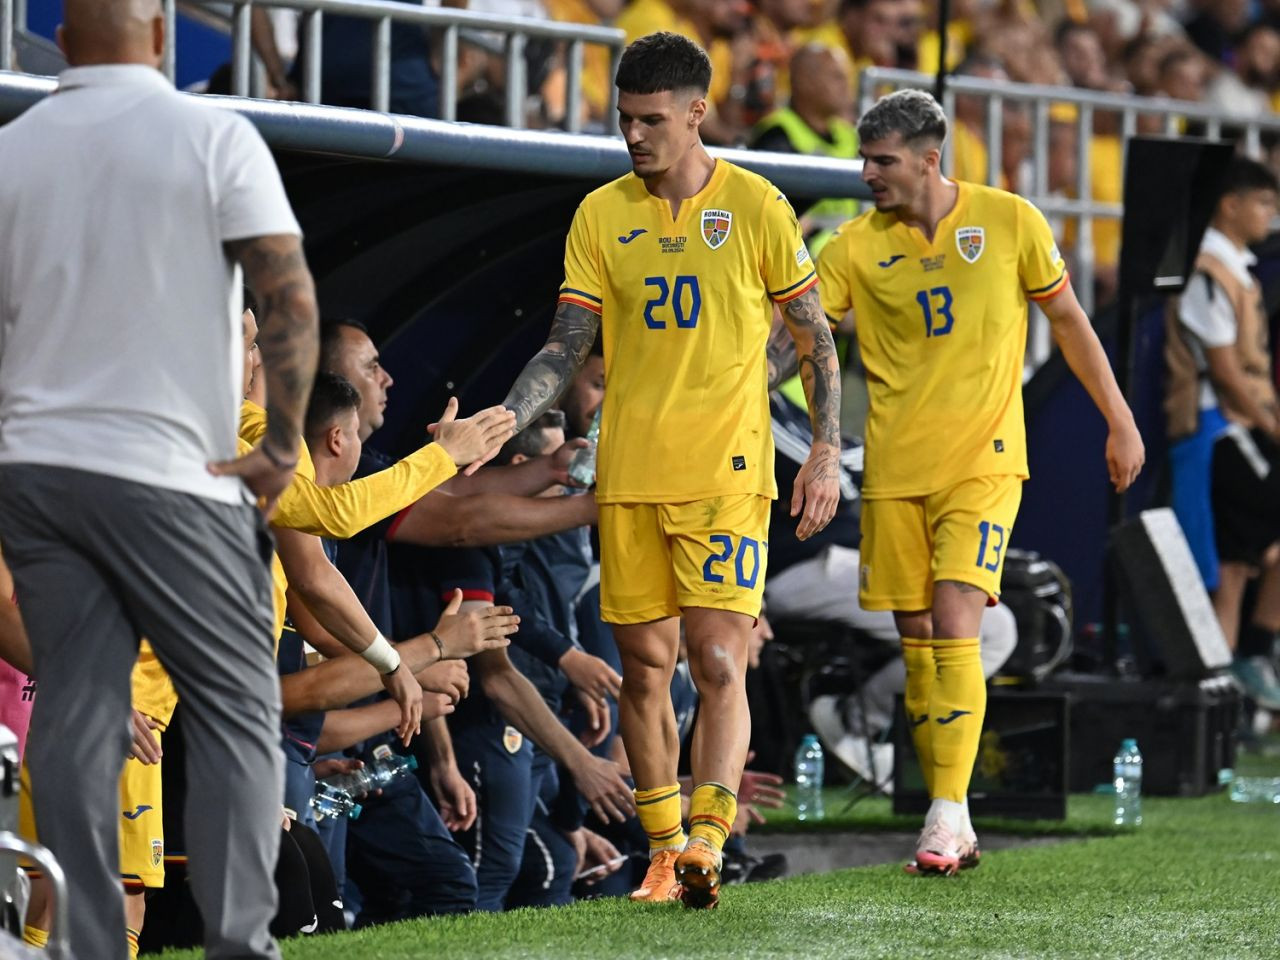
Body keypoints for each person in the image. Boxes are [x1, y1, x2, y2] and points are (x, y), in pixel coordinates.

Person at [0, 2, 317, 957]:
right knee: (234, 708)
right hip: (171, 471)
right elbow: (287, 291)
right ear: (161, 38)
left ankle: (86, 945)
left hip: (41, 476)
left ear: (62, 42)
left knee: (76, 702)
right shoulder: (213, 135)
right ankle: (239, 946)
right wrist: (285, 437)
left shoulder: (10, 151)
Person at [497, 31, 841, 909]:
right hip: (630, 473)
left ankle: (708, 841)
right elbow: (566, 343)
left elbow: (814, 336)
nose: (635, 136)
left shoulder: (759, 205)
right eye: (625, 119)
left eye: (652, 120)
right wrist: (509, 415)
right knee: (647, 670)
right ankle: (662, 853)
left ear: (697, 114)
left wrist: (826, 450)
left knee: (719, 659)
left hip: (727, 473)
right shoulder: (600, 214)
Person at [816, 88, 1144, 876]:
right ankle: (950, 813)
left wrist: (1120, 417)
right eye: (865, 160)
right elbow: (800, 336)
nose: (868, 174)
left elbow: (1069, 320)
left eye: (883, 160)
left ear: (931, 159)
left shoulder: (1009, 220)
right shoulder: (851, 247)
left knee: (956, 616)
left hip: (985, 459)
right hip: (894, 468)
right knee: (920, 640)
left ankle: (945, 812)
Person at [1165, 157, 1280, 710]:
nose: (1271, 214)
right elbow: (1226, 369)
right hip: (1217, 432)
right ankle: (1227, 676)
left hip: (1242, 428)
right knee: (1224, 569)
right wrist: (1268, 425)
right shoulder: (1207, 271)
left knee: (1238, 564)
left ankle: (1247, 657)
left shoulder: (1237, 267)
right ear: (1229, 204)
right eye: (1263, 202)